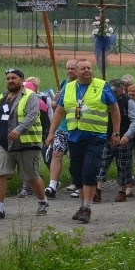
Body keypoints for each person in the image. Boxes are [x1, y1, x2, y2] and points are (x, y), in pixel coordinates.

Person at [45, 59, 121, 223]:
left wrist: (115, 132)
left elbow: (114, 109)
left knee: (89, 171)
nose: (87, 70)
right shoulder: (69, 87)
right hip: (74, 136)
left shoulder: (102, 86)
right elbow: (59, 111)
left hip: (96, 137)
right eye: (83, 68)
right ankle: (82, 206)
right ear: (76, 72)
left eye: (89, 68)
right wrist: (51, 132)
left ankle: (87, 207)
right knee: (77, 173)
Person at [0, 68, 49, 220]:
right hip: (2, 143)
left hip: (26, 143)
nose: (10, 81)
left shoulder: (30, 96)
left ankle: (43, 201)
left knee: (31, 176)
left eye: (14, 78)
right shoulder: (2, 97)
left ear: (22, 80)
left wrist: (19, 130)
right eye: (8, 78)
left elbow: (32, 115)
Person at [95, 79, 135, 203]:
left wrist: (127, 136)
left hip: (124, 138)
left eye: (115, 90)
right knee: (101, 164)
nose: (113, 93)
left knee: (123, 166)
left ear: (122, 89)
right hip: (106, 138)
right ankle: (97, 190)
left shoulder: (128, 102)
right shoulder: (104, 101)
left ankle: (122, 191)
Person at [44, 59, 78, 199]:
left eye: (73, 69)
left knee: (75, 157)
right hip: (62, 127)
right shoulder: (64, 84)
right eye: (68, 68)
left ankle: (79, 183)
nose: (70, 71)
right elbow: (56, 107)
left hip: (76, 127)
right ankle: (53, 185)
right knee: (56, 154)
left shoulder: (81, 85)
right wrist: (55, 102)